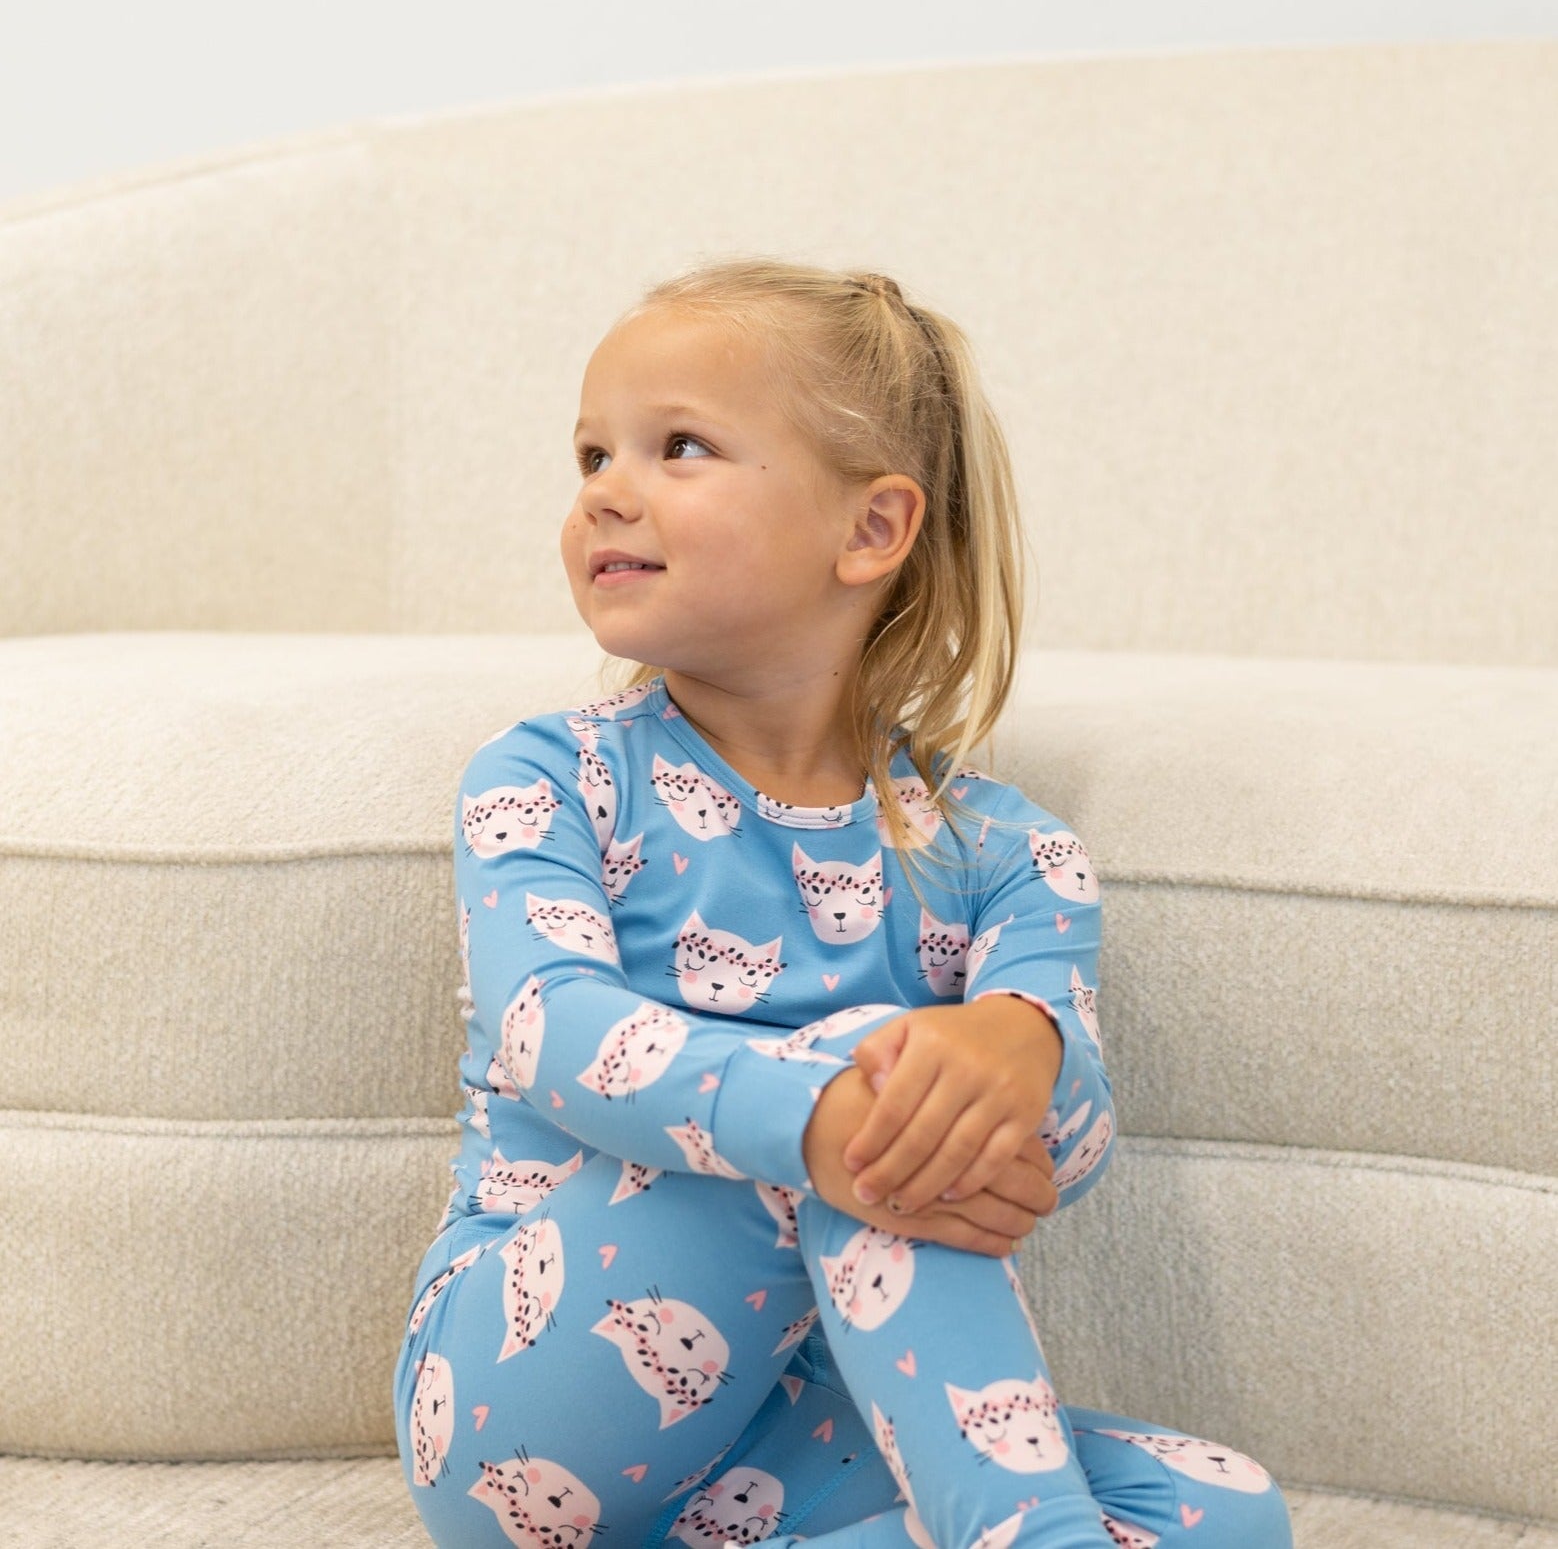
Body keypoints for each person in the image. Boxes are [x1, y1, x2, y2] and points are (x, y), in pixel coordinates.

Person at [392, 257, 1294, 1548]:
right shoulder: (550, 778)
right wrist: (833, 1111)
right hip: (524, 1409)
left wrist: (1022, 1048)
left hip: (786, 1432)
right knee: (873, 1073)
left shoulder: (1004, 851)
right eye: (591, 453)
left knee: (1218, 1507)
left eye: (678, 446)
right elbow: (552, 1030)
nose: (603, 491)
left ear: (870, 530)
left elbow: (1068, 1145)